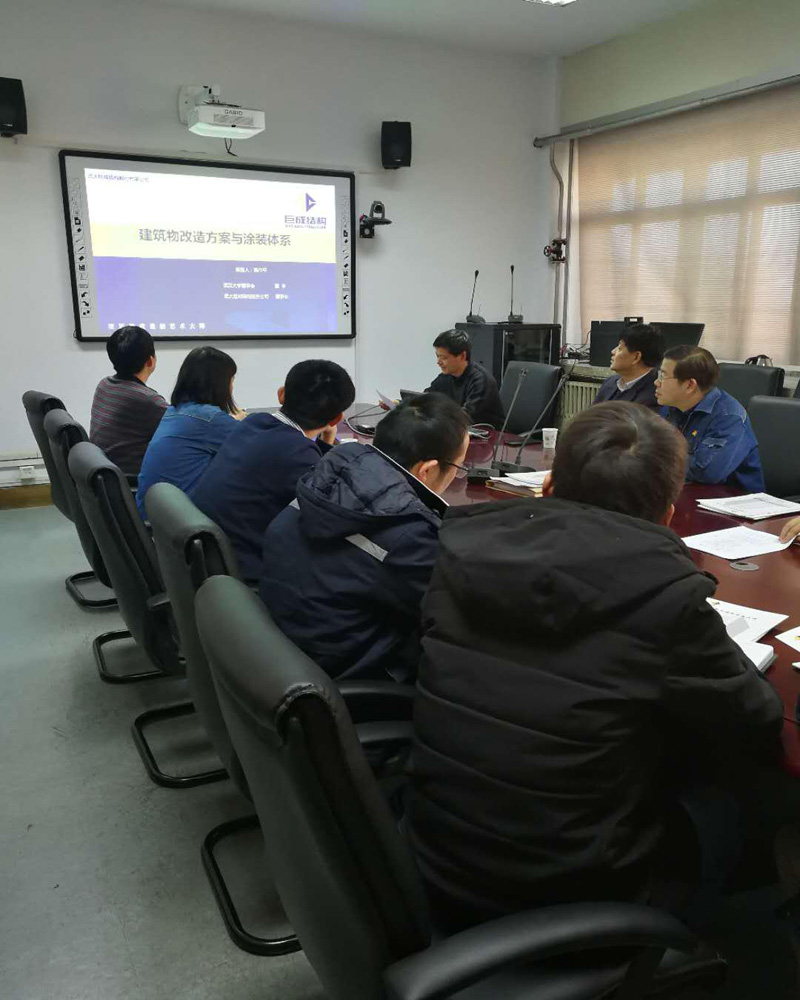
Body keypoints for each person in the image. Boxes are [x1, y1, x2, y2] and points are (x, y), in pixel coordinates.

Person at [406, 401, 783, 929]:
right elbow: (757, 718)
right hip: (561, 892)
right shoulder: (667, 600)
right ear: (667, 515)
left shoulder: (457, 549)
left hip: (434, 848)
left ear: (548, 486)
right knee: (744, 800)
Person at [259, 394, 470, 682]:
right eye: (459, 467)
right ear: (428, 470)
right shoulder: (408, 533)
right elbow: (456, 613)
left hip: (284, 646)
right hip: (344, 676)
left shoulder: (329, 474)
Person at [190, 359, 355, 583]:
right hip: (246, 575)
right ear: (336, 418)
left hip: (212, 560)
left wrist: (324, 443)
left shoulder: (254, 422)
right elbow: (331, 518)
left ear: (281, 394)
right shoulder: (297, 453)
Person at [135, 347, 246, 518]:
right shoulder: (210, 420)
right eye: (231, 380)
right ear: (220, 384)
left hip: (152, 514)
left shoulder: (175, 410)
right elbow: (254, 449)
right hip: (178, 522)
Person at [656, 345, 765, 491]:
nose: (656, 382)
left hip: (733, 498)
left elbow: (707, 472)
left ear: (689, 385)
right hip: (686, 489)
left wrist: (658, 459)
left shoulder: (729, 416)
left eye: (663, 376)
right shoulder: (672, 407)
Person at [89, 326, 168, 475]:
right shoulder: (148, 400)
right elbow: (185, 430)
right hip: (133, 479)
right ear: (150, 361)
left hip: (107, 476)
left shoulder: (104, 385)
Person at [425, 329, 505, 428]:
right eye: (437, 356)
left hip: (489, 433)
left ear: (462, 356)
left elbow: (467, 414)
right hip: (461, 429)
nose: (438, 362)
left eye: (444, 358)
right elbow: (427, 396)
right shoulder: (446, 376)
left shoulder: (480, 380)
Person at [592, 323, 664, 410]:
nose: (613, 351)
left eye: (619, 348)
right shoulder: (610, 382)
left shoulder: (655, 394)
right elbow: (590, 415)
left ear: (636, 357)